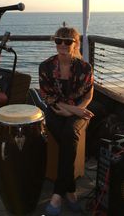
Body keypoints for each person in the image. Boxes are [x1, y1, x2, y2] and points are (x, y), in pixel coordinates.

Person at [39, 25, 94, 215]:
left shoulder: (85, 68)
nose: (62, 44)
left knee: (69, 133)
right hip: (56, 110)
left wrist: (75, 111)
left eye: (67, 41)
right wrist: (70, 109)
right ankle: (69, 191)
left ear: (75, 44)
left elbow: (88, 96)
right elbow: (48, 98)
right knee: (66, 139)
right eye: (58, 41)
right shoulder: (45, 66)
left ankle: (56, 196)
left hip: (80, 110)